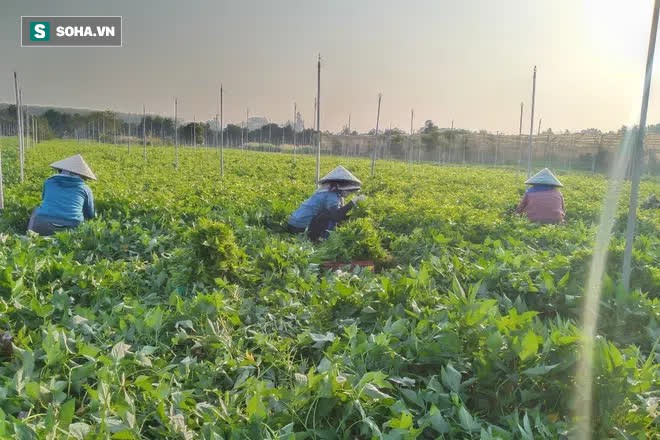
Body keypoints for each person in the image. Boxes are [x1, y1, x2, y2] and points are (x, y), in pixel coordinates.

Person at [287, 165, 366, 242]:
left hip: (293, 223)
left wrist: (352, 216)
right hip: (301, 227)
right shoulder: (331, 195)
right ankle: (318, 239)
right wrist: (352, 203)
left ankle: (316, 237)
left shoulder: (325, 192)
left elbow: (339, 213)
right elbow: (337, 216)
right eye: (349, 191)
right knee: (329, 216)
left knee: (329, 214)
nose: (349, 194)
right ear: (343, 189)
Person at [27, 154, 97, 236]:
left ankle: (30, 236)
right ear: (82, 175)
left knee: (36, 210)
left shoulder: (49, 182)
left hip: (42, 224)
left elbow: (44, 200)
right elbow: (90, 214)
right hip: (72, 227)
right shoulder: (85, 189)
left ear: (60, 170)